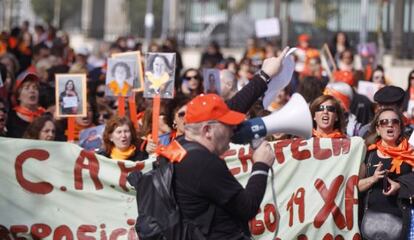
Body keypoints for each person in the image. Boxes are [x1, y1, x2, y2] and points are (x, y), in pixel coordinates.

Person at [173, 94, 275, 239]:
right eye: (226, 124)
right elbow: (247, 208)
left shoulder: (179, 147)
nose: (233, 129)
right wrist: (261, 165)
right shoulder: (203, 163)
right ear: (207, 130)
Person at [358, 107, 414, 239]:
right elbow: (356, 187)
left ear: (400, 127)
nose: (390, 124)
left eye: (394, 122)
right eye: (384, 122)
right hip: (370, 222)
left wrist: (400, 186)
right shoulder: (368, 154)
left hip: (402, 222)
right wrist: (373, 178)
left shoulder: (411, 154)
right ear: (378, 129)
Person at [6, 73, 45, 138]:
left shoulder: (45, 116)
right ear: (18, 96)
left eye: (35, 88)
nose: (32, 91)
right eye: (27, 88)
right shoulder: (10, 117)